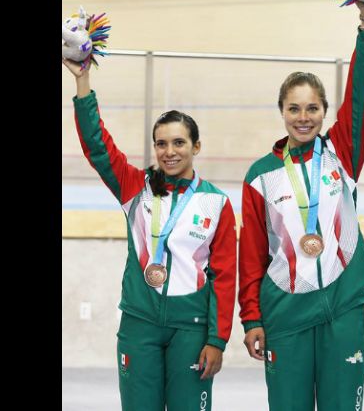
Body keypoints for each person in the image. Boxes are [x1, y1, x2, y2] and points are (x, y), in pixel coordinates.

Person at [63, 57, 237, 411]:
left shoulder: (216, 203)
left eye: (178, 143)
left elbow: (224, 277)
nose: (169, 152)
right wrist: (83, 82)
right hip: (139, 324)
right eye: (161, 144)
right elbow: (98, 147)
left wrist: (217, 339)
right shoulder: (134, 187)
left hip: (191, 328)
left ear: (196, 147)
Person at [237, 0, 364, 410]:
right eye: (294, 109)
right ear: (282, 112)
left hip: (344, 309)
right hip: (284, 312)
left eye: (313, 108)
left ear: (324, 111)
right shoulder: (260, 175)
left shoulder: (343, 152)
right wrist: (251, 317)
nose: (304, 117)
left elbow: (363, 95)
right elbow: (250, 256)